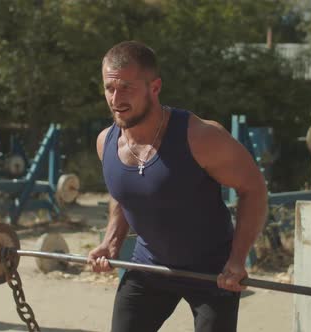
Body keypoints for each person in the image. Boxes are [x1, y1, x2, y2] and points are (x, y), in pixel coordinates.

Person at [87, 40, 268, 332]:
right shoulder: (105, 143)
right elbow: (123, 194)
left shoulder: (200, 137)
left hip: (213, 273)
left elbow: (254, 188)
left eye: (127, 88)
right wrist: (110, 243)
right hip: (150, 267)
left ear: (154, 88)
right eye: (110, 88)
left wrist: (237, 259)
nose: (116, 98)